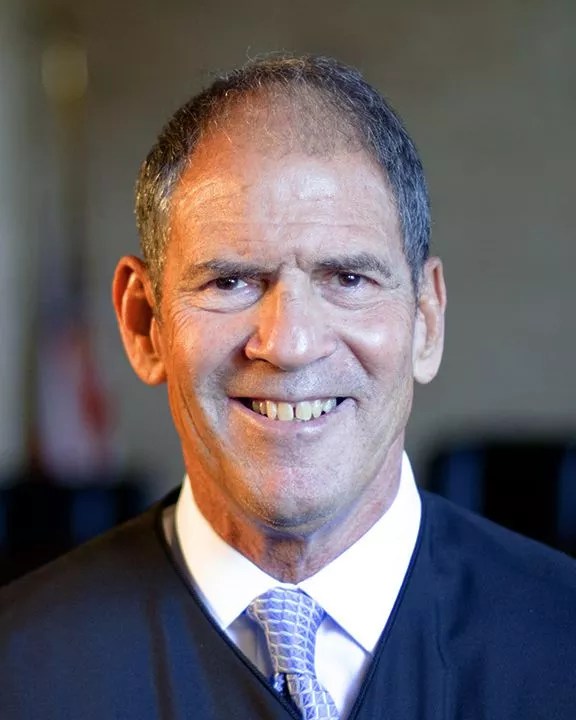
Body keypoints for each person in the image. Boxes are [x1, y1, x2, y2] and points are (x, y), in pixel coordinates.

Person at [1, 54, 575, 720]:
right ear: (144, 323)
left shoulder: (562, 642)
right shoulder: (19, 671)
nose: (290, 343)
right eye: (230, 282)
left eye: (349, 279)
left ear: (426, 319)